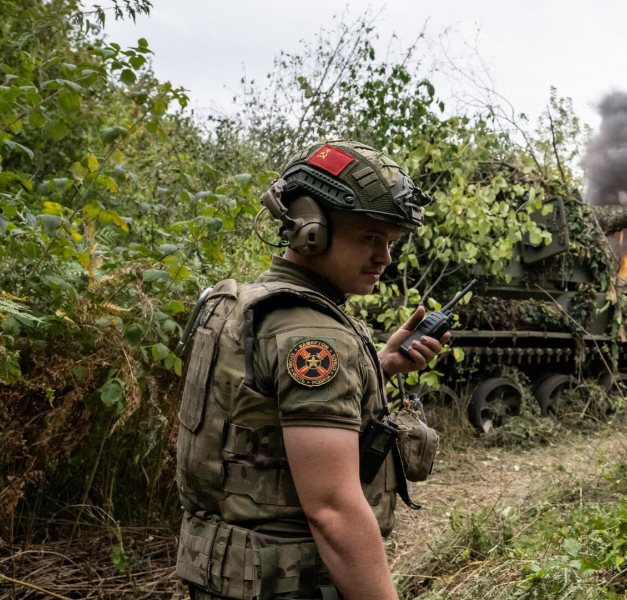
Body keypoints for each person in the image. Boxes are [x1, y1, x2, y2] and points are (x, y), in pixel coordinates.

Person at [174, 140, 446, 600]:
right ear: (309, 227)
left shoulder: (241, 303)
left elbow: (260, 414)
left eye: (391, 242)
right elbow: (334, 512)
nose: (385, 258)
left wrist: (380, 366)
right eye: (370, 238)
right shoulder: (311, 333)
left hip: (227, 575)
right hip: (286, 583)